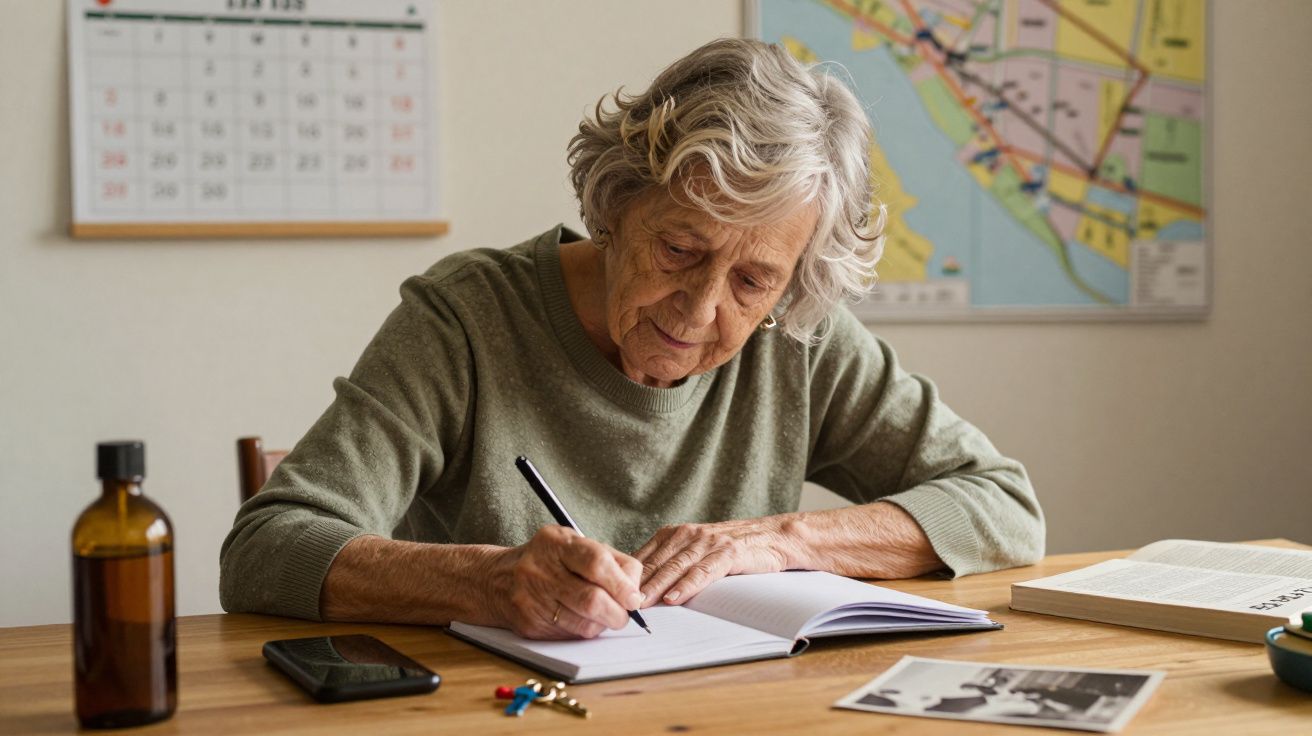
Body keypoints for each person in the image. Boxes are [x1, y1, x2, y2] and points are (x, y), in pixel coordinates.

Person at [220, 38, 1043, 640]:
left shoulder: (797, 336)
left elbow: (1001, 506)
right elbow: (265, 548)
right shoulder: (467, 318)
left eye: (753, 281)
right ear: (616, 203)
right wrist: (487, 580)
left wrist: (778, 539)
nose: (698, 309)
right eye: (680, 250)